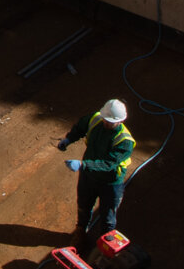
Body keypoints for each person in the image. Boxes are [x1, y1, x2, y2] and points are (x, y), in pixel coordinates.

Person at [58, 97, 136, 236]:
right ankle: (80, 232)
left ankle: (105, 243)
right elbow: (81, 127)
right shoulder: (95, 119)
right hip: (89, 176)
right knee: (83, 205)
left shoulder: (125, 141)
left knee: (108, 216)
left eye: (111, 122)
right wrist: (69, 139)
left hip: (110, 182)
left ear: (121, 120)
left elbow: (108, 164)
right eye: (105, 119)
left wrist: (83, 165)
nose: (106, 123)